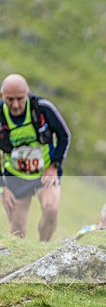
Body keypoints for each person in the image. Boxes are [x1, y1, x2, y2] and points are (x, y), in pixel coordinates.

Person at [0, 74, 71, 241]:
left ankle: (43, 249)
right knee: (17, 232)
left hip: (45, 171)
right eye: (10, 100)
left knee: (51, 209)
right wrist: (2, 188)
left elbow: (64, 136)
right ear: (2, 96)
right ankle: (22, 262)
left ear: (27, 94)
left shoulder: (42, 108)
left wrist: (54, 166)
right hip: (16, 176)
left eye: (19, 98)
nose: (15, 105)